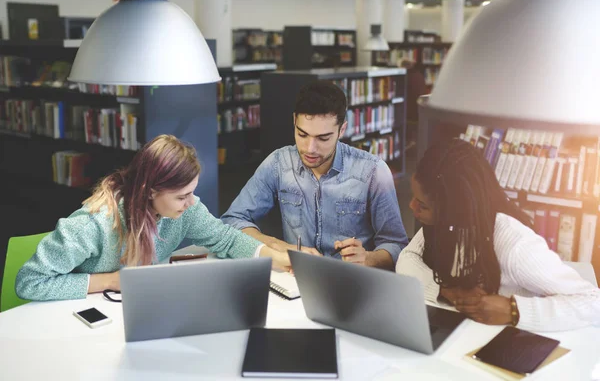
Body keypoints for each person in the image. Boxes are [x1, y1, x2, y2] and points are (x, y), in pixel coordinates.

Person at [16, 135, 292, 301]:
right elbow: (29, 281)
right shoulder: (94, 224)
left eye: (192, 192)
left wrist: (274, 256)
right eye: (182, 196)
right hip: (77, 319)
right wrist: (110, 281)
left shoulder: (187, 209)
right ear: (150, 192)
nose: (191, 202)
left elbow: (225, 238)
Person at [396, 138, 600, 332]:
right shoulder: (444, 226)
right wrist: (447, 291)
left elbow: (592, 302)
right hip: (466, 336)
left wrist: (513, 310)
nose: (410, 206)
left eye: (422, 205)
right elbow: (407, 258)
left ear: (456, 210)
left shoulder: (515, 246)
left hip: (512, 344)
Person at [221, 80, 408, 270]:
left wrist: (367, 258)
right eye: (302, 134)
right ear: (294, 121)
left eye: (323, 138)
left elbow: (397, 245)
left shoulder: (373, 171)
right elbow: (232, 220)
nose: (310, 148)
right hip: (296, 280)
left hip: (350, 282)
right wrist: (277, 246)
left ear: (341, 130)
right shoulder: (278, 163)